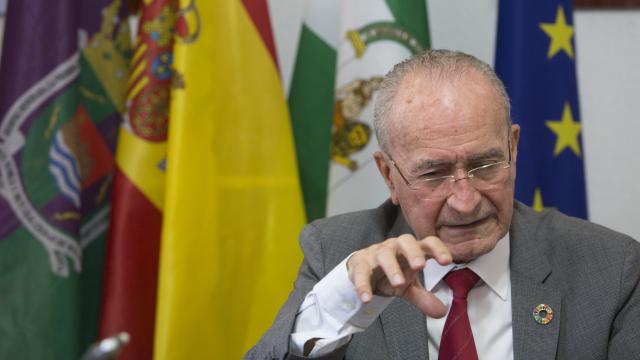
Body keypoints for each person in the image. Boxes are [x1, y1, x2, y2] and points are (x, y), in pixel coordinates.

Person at [246, 49, 640, 360]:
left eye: (485, 165)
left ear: (513, 149)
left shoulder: (609, 269)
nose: (466, 202)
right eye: (433, 174)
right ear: (388, 176)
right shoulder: (335, 250)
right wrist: (345, 304)